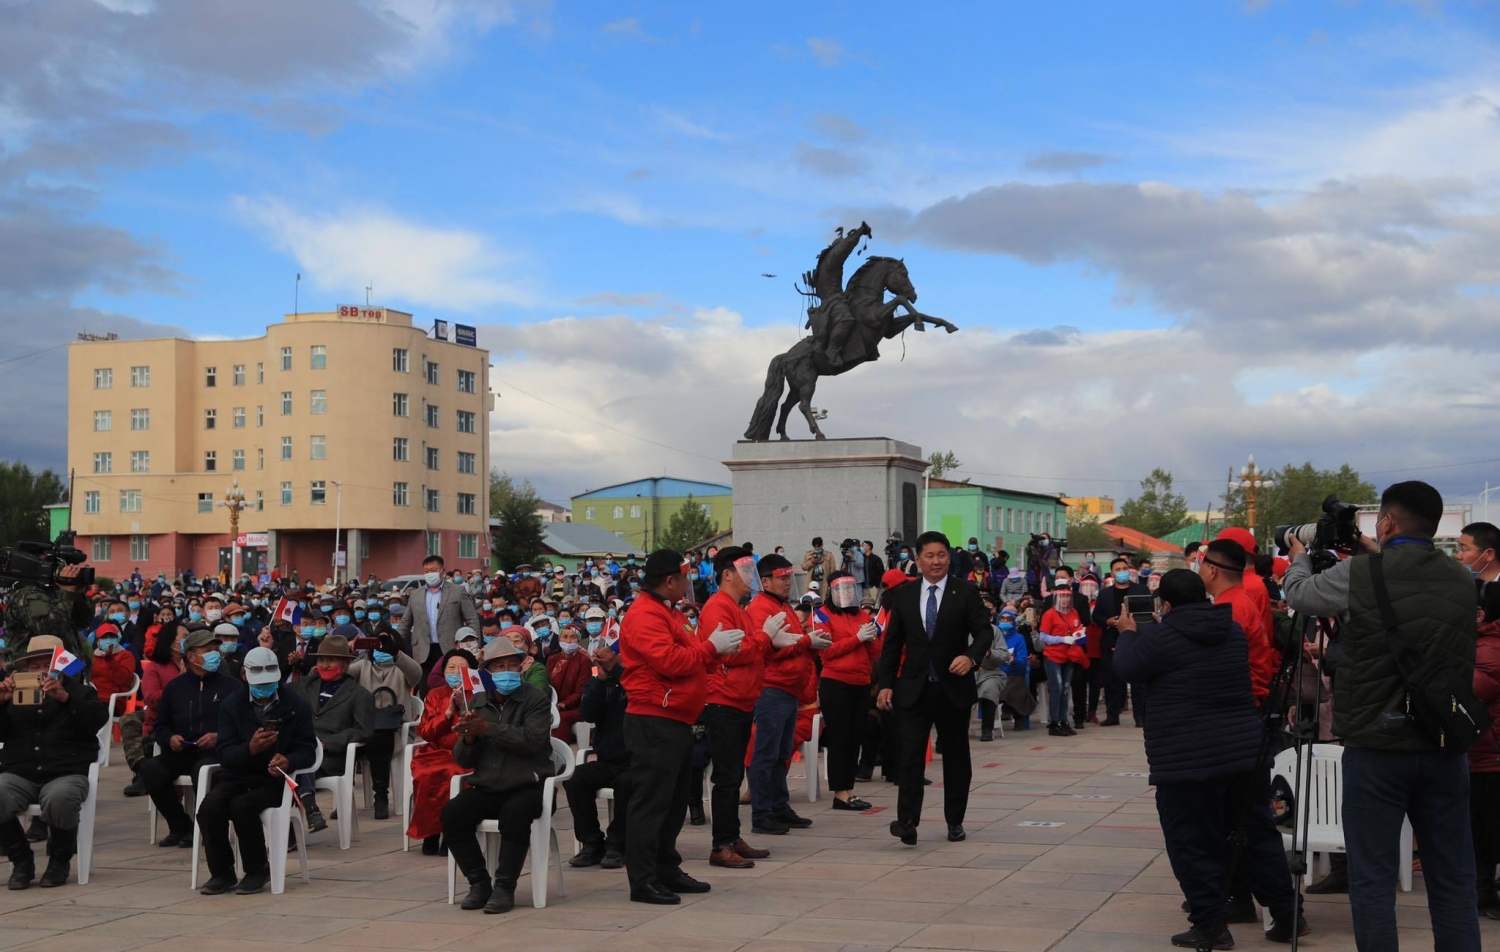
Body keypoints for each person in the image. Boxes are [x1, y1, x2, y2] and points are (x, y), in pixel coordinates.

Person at [1283, 480, 1482, 952]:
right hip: (1443, 742)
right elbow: (1407, 580)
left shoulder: (1361, 575)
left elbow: (1300, 595)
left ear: (1387, 521)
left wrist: (1298, 553)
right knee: (1452, 877)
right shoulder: (1461, 577)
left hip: (1376, 748)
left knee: (1372, 880)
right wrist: (1372, 549)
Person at [1114, 569, 1304, 949]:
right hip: (1242, 753)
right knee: (1256, 834)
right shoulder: (1230, 630)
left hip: (1187, 759)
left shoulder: (1162, 637)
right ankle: (1287, 915)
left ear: (1164, 604)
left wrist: (1128, 631)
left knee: (1192, 841)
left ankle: (1210, 923)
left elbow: (1126, 668)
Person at [620, 548, 745, 905]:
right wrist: (710, 648)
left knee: (673, 802)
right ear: (670, 580)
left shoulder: (666, 611)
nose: (689, 583)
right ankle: (643, 880)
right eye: (684, 577)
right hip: (653, 718)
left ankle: (665, 868)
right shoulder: (645, 614)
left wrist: (713, 650)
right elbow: (670, 661)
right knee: (652, 803)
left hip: (674, 717)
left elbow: (690, 657)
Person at [877, 531, 994, 845]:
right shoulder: (903, 595)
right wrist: (885, 684)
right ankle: (907, 822)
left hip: (953, 689)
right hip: (914, 689)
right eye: (929, 555)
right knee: (910, 757)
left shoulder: (966, 592)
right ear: (918, 560)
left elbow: (984, 633)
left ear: (948, 558)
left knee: (957, 759)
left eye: (941, 554)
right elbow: (891, 645)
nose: (936, 561)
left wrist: (970, 658)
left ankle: (954, 821)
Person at [196, 646, 318, 895]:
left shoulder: (295, 705)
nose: (264, 689)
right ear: (244, 675)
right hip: (238, 775)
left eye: (269, 683)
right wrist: (249, 749)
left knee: (243, 807)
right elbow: (225, 753)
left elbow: (308, 749)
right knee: (209, 808)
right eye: (259, 683)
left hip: (274, 782)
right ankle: (222, 873)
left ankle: (256, 870)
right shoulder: (232, 705)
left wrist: (288, 760)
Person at [445, 637, 553, 915]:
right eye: (499, 666)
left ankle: (505, 887)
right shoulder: (477, 701)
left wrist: (489, 729)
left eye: (512, 665)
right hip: (489, 784)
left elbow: (533, 741)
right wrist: (469, 739)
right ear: (488, 673)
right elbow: (463, 760)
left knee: (515, 815)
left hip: (526, 784)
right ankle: (479, 883)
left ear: (521, 668)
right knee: (452, 814)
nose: (506, 671)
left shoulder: (536, 698)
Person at [0, 635, 109, 889]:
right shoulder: (15, 693)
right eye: (34, 666)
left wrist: (65, 698)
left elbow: (96, 721)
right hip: (21, 770)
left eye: (47, 665)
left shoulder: (81, 691)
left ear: (61, 665)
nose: (41, 671)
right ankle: (21, 860)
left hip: (66, 770)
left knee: (60, 798)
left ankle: (59, 860)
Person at [695, 546, 772, 869]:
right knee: (726, 777)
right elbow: (731, 651)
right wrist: (765, 640)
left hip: (739, 698)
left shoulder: (736, 607)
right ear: (727, 574)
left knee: (732, 773)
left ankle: (731, 836)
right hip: (723, 699)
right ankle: (720, 844)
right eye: (746, 570)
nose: (751, 577)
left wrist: (763, 641)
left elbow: (746, 646)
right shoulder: (718, 607)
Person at [746, 553, 825, 836]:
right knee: (766, 753)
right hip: (772, 688)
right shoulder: (760, 608)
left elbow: (789, 642)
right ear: (765, 580)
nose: (787, 583)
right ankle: (762, 813)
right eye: (781, 578)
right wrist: (806, 642)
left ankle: (779, 806)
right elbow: (768, 648)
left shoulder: (782, 606)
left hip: (789, 689)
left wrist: (808, 643)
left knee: (780, 753)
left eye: (788, 577)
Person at [141, 628, 240, 848]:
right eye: (207, 650)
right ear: (191, 656)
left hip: (216, 752)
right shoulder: (175, 688)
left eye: (215, 649)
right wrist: (170, 739)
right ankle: (181, 827)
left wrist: (219, 736)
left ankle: (206, 828)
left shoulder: (231, 687)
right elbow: (161, 725)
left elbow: (243, 725)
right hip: (183, 750)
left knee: (203, 771)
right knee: (150, 769)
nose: (213, 653)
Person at [292, 633, 375, 833]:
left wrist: (328, 743)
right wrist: (311, 675)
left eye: (331, 660)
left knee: (296, 762)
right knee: (289, 763)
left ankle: (307, 811)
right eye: (321, 660)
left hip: (332, 757)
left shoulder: (360, 695)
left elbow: (363, 731)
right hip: (305, 751)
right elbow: (284, 693)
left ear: (345, 663)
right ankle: (308, 810)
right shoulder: (307, 685)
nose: (325, 665)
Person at [566, 631, 631, 870]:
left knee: (628, 784)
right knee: (576, 780)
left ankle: (617, 844)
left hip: (635, 759)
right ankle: (592, 843)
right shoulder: (601, 680)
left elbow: (635, 691)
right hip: (608, 758)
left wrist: (617, 671)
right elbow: (588, 714)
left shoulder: (636, 677)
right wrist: (602, 680)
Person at [407, 648, 477, 855]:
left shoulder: (480, 694)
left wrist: (463, 710)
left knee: (455, 774)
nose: (455, 671)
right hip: (435, 752)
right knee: (424, 776)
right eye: (451, 667)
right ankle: (430, 833)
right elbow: (426, 732)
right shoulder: (435, 694)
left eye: (461, 667)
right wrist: (447, 714)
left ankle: (450, 832)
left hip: (466, 753)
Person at [818, 572, 879, 810]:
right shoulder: (822, 614)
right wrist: (856, 638)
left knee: (855, 739)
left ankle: (848, 789)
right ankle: (839, 792)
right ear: (831, 592)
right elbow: (826, 651)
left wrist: (872, 638)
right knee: (839, 738)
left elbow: (874, 654)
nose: (847, 593)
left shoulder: (861, 614)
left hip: (860, 682)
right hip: (836, 682)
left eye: (850, 588)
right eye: (841, 589)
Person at [347, 631, 421, 819]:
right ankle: (345, 798)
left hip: (395, 730)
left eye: (386, 643)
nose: (381, 648)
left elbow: (417, 674)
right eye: (377, 643)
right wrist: (348, 651)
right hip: (365, 727)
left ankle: (381, 795)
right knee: (343, 739)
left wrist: (395, 653)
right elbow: (342, 674)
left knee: (378, 737)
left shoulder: (401, 669)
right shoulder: (363, 665)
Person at [1198, 540, 1276, 707]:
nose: (1199, 571)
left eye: (1201, 565)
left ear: (1212, 570)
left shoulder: (1229, 608)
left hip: (1241, 699)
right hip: (1247, 695)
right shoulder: (1238, 599)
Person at [398, 555, 481, 687]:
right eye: (426, 571)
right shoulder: (415, 594)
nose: (430, 574)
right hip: (423, 650)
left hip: (451, 648)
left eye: (433, 570)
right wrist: (394, 643)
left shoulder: (457, 591)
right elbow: (405, 623)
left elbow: (472, 618)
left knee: (452, 687)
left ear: (442, 570)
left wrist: (475, 646)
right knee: (426, 688)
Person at [1092, 557, 1149, 726]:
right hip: (1111, 639)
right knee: (1111, 680)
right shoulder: (1104, 593)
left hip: (1136, 639)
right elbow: (1096, 616)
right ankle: (1112, 715)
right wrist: (1107, 621)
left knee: (1138, 681)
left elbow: (1148, 614)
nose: (1122, 571)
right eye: (1118, 569)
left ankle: (1140, 716)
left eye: (1124, 568)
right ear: (1112, 573)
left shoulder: (1141, 590)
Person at [1471, 584, 1500, 918]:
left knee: (1485, 831)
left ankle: (1485, 894)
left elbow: (1466, 694)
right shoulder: (1480, 644)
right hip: (1483, 755)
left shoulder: (1488, 650)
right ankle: (1483, 892)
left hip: (1487, 756)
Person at [546, 625, 591, 743]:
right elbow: (547, 684)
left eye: (573, 637)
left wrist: (563, 704)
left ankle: (561, 752)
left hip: (576, 707)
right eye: (564, 637)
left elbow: (580, 690)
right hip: (553, 704)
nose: (568, 641)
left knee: (561, 718)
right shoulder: (552, 659)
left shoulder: (583, 661)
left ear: (578, 640)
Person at [1457, 521, 1500, 600]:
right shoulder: (1463, 585)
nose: (1458, 556)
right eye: (1458, 549)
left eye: (1463, 549)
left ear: (1489, 554)